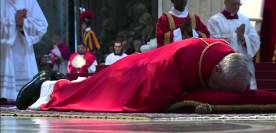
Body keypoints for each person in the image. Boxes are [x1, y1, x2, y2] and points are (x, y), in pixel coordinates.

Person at [16, 38, 251, 112]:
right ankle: (49, 87)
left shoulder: (221, 57)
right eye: (219, 86)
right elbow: (155, 91)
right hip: (135, 72)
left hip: (138, 65)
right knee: (95, 94)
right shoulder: (186, 60)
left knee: (92, 85)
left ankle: (58, 80)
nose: (217, 93)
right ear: (218, 68)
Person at [0, 0, 48, 101]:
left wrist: (23, 23)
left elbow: (42, 25)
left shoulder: (29, 1)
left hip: (25, 57)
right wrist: (14, 20)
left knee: (26, 98)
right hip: (3, 56)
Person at [207, 0, 260, 90]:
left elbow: (255, 39)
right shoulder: (214, 20)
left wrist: (243, 38)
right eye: (233, 4)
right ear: (225, 2)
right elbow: (213, 41)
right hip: (226, 64)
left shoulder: (244, 19)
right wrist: (235, 37)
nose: (236, 7)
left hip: (244, 63)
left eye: (238, 4)